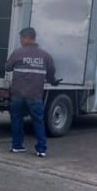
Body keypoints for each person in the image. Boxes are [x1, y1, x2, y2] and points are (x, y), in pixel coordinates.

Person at [5, 27, 58, 157]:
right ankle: (41, 149)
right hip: (35, 96)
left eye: (21, 38)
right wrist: (53, 81)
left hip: (18, 95)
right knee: (38, 121)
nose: (21, 41)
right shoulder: (45, 56)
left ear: (27, 38)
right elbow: (51, 74)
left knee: (16, 119)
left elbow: (7, 67)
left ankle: (17, 146)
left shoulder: (18, 53)